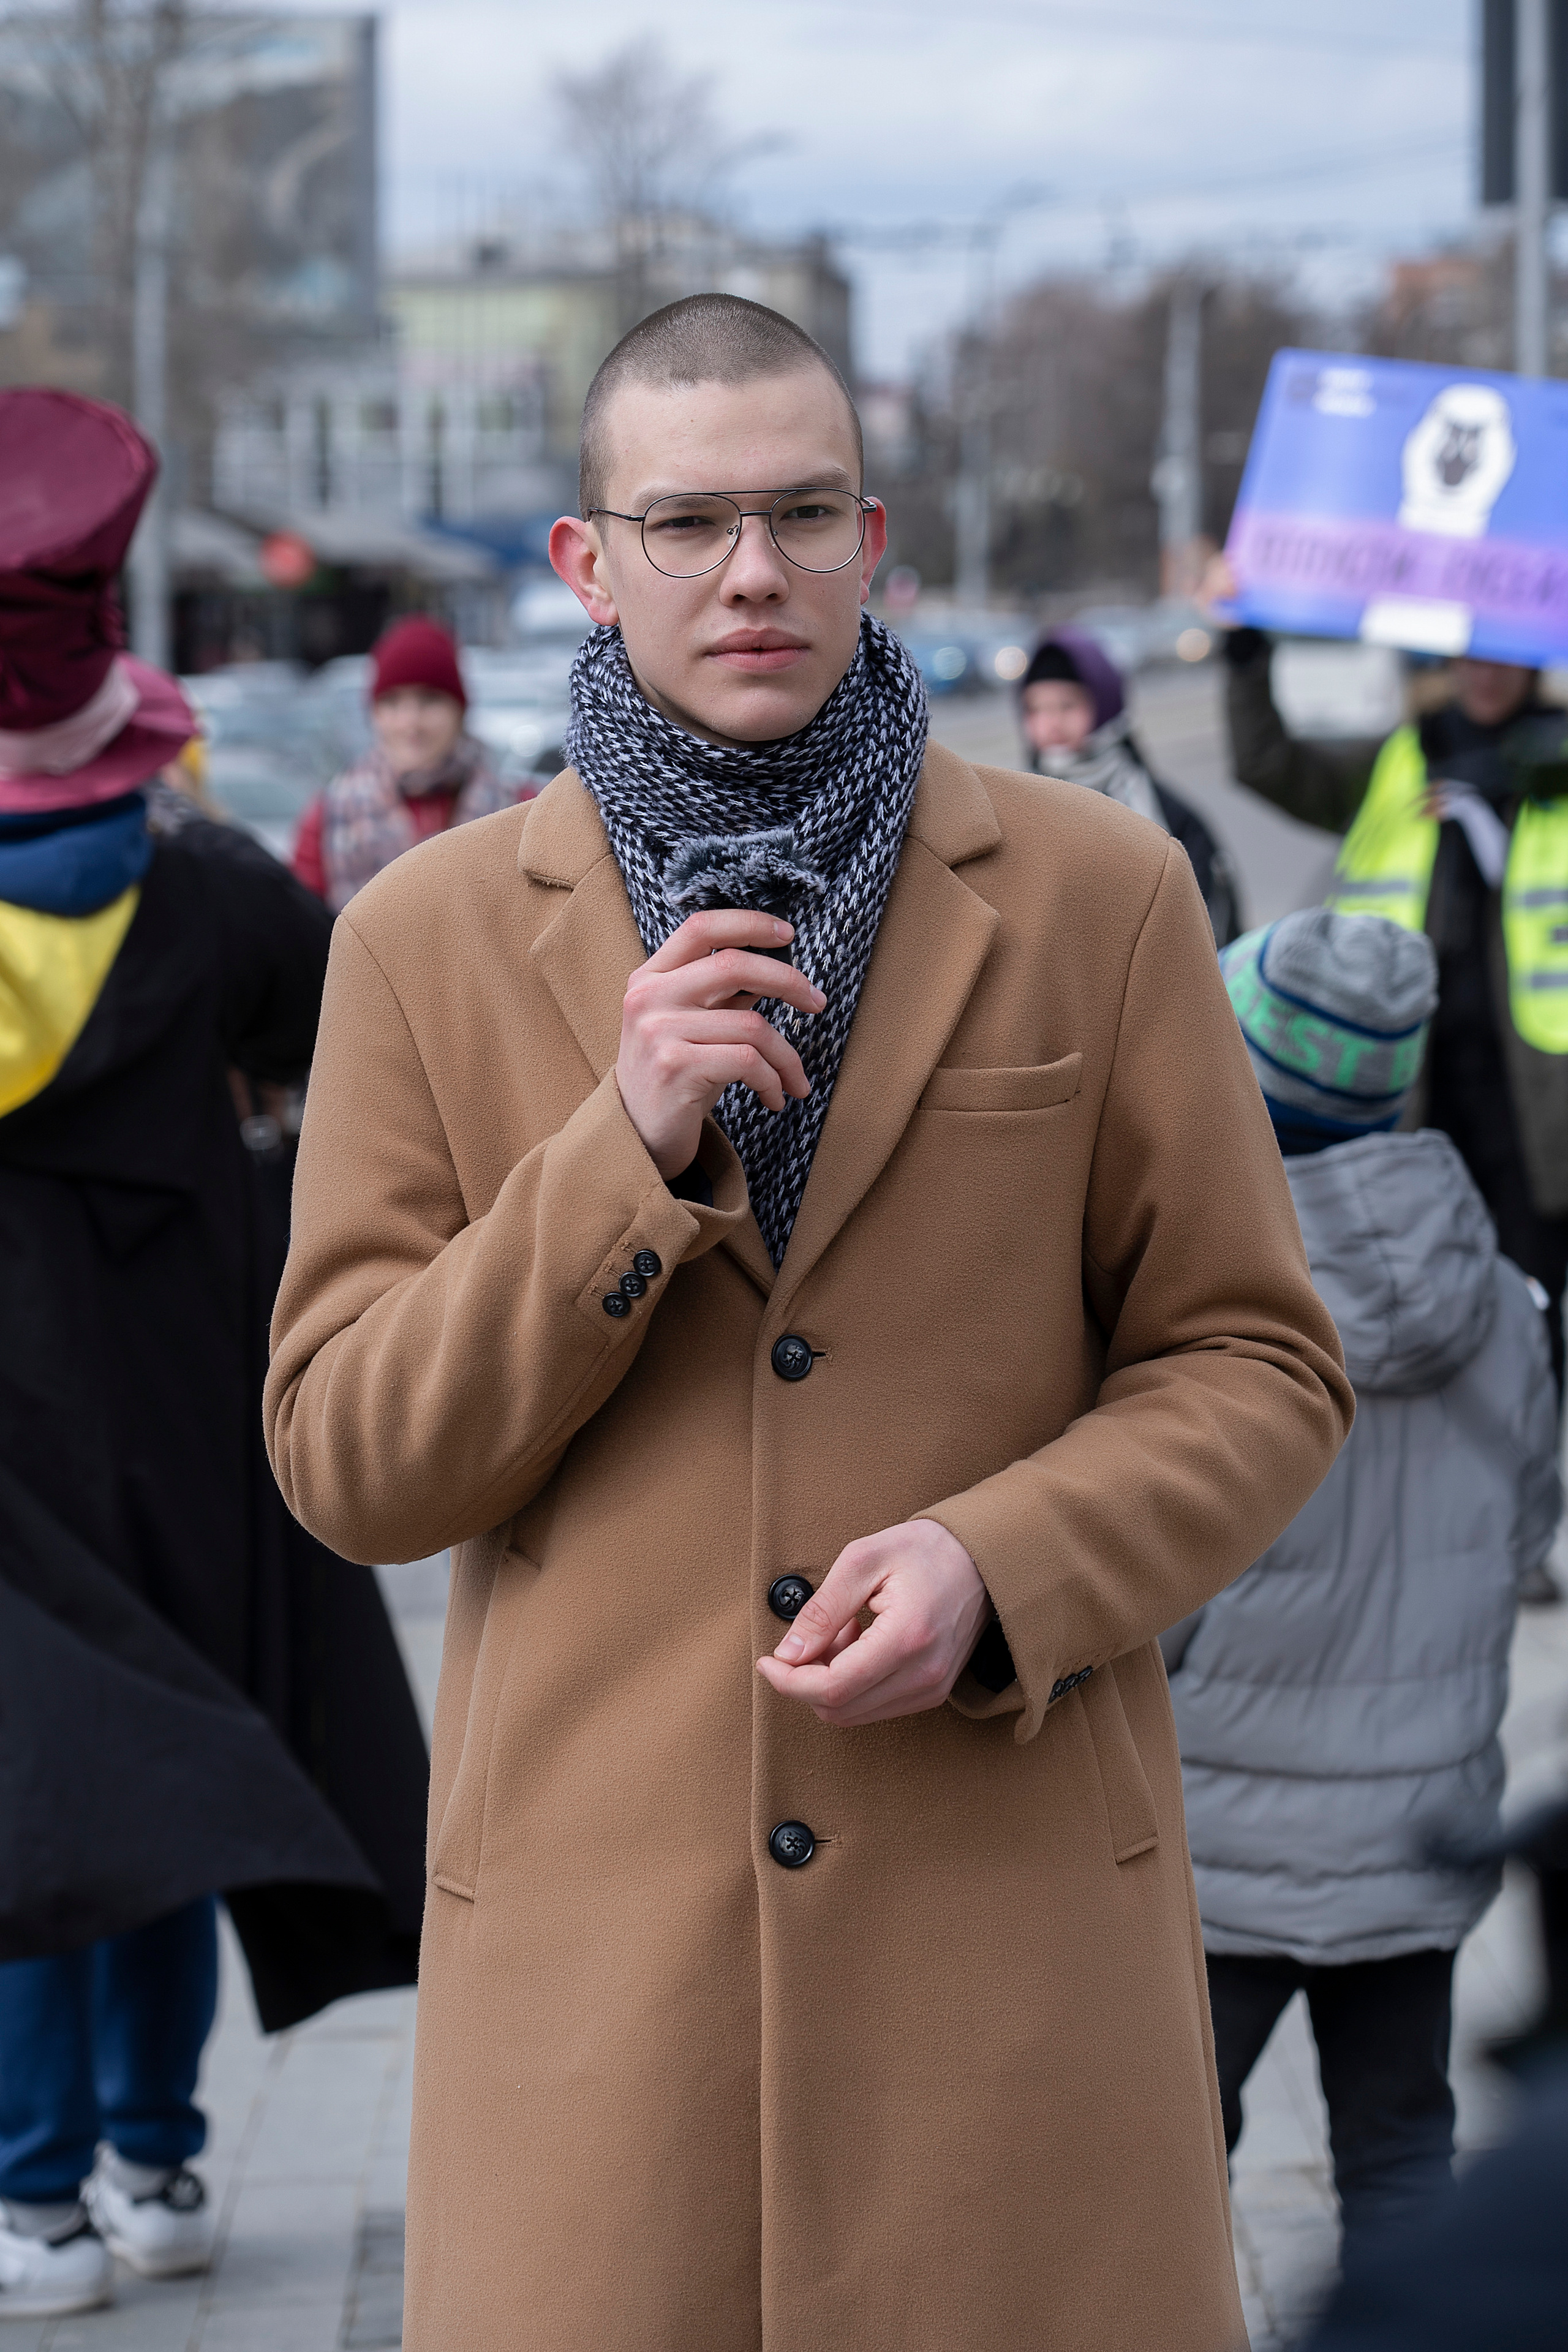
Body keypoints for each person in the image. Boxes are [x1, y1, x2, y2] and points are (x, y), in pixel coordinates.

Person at [265, 292, 1352, 2352]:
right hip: (604, 2014)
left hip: (1009, 1975)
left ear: (877, 534)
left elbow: (1262, 1365)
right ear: (588, 561)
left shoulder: (1102, 894)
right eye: (686, 521)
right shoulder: (414, 945)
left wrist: (999, 1562)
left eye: (801, 510)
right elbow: (350, 1459)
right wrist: (623, 1152)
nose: (752, 567)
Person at [0, 389, 431, 2322]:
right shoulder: (226, 895)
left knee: (30, 1799)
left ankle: (33, 2202)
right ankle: (162, 2153)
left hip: (6, 1431)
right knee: (169, 1786)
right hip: (183, 1400)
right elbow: (354, 1040)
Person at [1165, 906, 1560, 2278]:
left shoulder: (1199, 1308)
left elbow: (1146, 1558)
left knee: (1159, 2167)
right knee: (1400, 2156)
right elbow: (1523, 1532)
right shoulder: (1506, 1304)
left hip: (1219, 1837)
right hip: (1419, 1826)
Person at [1202, 552, 1568, 1417]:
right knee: (1417, 1298)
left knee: (1533, 1297)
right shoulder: (1400, 762)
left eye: (1504, 653)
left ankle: (1532, 1481)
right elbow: (1267, 761)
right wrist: (1246, 650)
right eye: (1469, 653)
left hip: (1535, 1100)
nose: (1485, 672)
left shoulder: (1556, 762)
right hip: (1414, 1083)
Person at [1019, 627, 1242, 943]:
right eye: (1036, 709)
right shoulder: (1015, 808)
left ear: (1105, 704)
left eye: (1067, 706)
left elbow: (1210, 925)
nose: (1051, 722)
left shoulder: (1165, 814)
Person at [289, 615, 516, 909]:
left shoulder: (515, 807)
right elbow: (303, 933)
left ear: (459, 711)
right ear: (374, 714)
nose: (411, 723)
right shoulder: (328, 816)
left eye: (429, 700)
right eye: (393, 703)